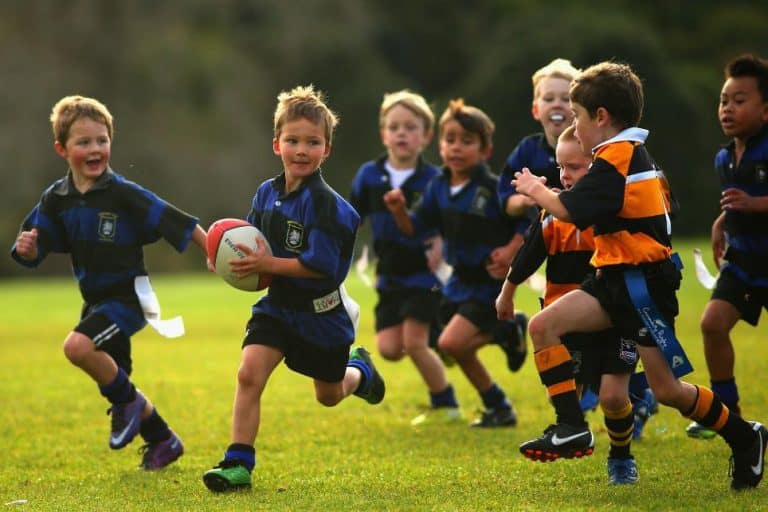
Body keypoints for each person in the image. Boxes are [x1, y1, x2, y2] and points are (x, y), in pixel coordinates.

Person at [512, 61, 767, 491]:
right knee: (543, 325)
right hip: (612, 279)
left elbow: (572, 211)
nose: (572, 125)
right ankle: (571, 426)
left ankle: (746, 436)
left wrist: (538, 190)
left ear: (601, 118)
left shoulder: (619, 156)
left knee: (668, 390)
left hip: (642, 287)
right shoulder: (623, 155)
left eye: (576, 116)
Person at [202, 85, 385, 493]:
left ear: (327, 150)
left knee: (330, 395)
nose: (301, 150)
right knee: (248, 374)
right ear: (276, 144)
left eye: (312, 142)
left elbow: (319, 265)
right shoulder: (266, 193)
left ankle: (361, 372)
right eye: (293, 140)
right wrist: (223, 257)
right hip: (277, 308)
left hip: (321, 314)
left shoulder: (328, 206)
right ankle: (238, 464)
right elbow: (250, 240)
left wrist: (267, 264)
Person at [10, 95, 207, 470]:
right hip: (97, 304)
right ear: (62, 149)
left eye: (102, 140)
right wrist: (28, 248)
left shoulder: (123, 194)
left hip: (131, 299)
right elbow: (34, 246)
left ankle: (129, 404)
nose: (95, 148)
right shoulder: (57, 199)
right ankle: (163, 440)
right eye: (84, 142)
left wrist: (212, 251)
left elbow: (175, 220)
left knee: (77, 348)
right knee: (115, 379)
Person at [497, 125, 640, 484]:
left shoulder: (610, 214)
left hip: (615, 316)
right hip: (568, 321)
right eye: (561, 167)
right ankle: (571, 427)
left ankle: (621, 457)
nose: (565, 175)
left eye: (575, 167)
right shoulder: (551, 217)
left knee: (612, 396)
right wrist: (507, 291)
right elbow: (528, 254)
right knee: (566, 393)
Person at [384, 98, 524, 428]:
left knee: (450, 343)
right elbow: (416, 230)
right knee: (446, 347)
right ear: (440, 144)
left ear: (485, 150)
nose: (456, 147)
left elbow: (525, 223)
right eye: (450, 139)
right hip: (458, 282)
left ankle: (506, 332)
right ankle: (499, 405)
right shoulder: (438, 187)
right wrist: (399, 210)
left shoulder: (493, 189)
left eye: (466, 141)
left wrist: (510, 250)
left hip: (489, 283)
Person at [349, 90, 461, 426]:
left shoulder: (434, 179)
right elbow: (351, 217)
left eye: (410, 127)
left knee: (413, 343)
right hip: (390, 274)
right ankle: (438, 334)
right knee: (388, 349)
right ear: (383, 133)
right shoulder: (368, 175)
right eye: (394, 127)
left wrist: (442, 242)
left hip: (423, 274)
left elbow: (450, 220)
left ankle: (446, 403)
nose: (401, 133)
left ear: (426, 136)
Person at [686, 54, 768, 440]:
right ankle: (725, 411)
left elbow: (751, 200)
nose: (728, 109)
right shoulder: (725, 156)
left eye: (740, 100)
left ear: (765, 110)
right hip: (743, 262)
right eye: (724, 100)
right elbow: (736, 201)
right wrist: (722, 222)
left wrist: (755, 204)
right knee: (712, 324)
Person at [498, 58, 580, 219]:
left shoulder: (590, 149)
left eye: (566, 99)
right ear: (536, 110)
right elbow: (506, 200)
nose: (557, 104)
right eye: (549, 99)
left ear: (579, 109)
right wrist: (528, 198)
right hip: (539, 239)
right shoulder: (528, 149)